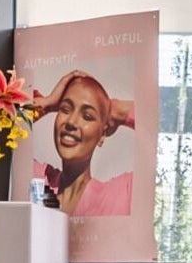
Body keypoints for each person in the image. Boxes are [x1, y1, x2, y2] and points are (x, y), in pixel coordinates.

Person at [32, 69, 137, 219]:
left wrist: (117, 111)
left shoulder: (121, 195)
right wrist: (46, 103)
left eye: (87, 116)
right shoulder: (38, 181)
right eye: (65, 109)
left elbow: (159, 123)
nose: (71, 122)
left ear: (102, 135)